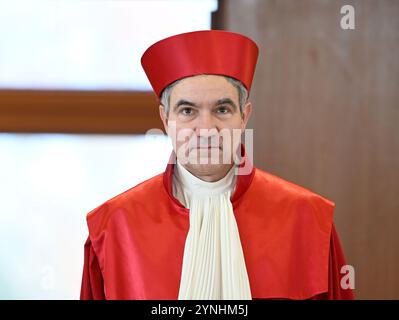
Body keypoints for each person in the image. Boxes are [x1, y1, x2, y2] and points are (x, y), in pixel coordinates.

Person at [80, 30, 354, 300]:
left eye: (222, 110)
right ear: (165, 119)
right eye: (188, 111)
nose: (206, 128)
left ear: (244, 116)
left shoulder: (307, 219)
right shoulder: (114, 228)